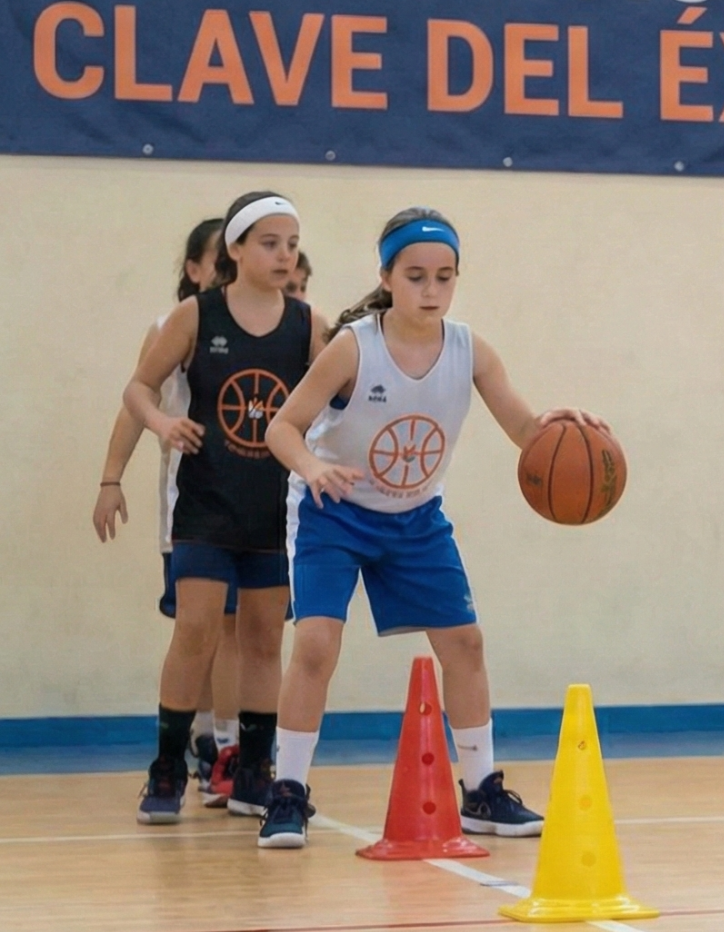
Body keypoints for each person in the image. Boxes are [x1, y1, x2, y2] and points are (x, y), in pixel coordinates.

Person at [257, 208, 584, 847]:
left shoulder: (469, 349)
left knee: (465, 644)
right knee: (316, 645)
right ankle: (287, 791)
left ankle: (482, 791)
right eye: (415, 277)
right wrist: (312, 467)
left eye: (444, 277)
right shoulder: (353, 347)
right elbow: (282, 427)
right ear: (386, 277)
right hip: (335, 510)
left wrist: (563, 427)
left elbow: (526, 431)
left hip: (415, 516)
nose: (431, 290)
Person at [121, 193, 322, 824]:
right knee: (197, 632)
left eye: (292, 244)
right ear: (235, 248)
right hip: (206, 505)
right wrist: (161, 422)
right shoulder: (196, 315)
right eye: (270, 243)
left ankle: (254, 771)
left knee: (264, 641)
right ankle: (167, 767)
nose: (284, 255)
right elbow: (139, 386)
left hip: (274, 509)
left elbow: (337, 398)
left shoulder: (308, 324)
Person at [95, 217, 249, 805]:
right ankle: (208, 741)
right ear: (194, 269)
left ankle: (225, 745)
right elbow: (137, 403)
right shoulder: (172, 327)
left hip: (254, 505)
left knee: (235, 628)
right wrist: (111, 479)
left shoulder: (271, 326)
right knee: (200, 628)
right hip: (191, 506)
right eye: (220, 262)